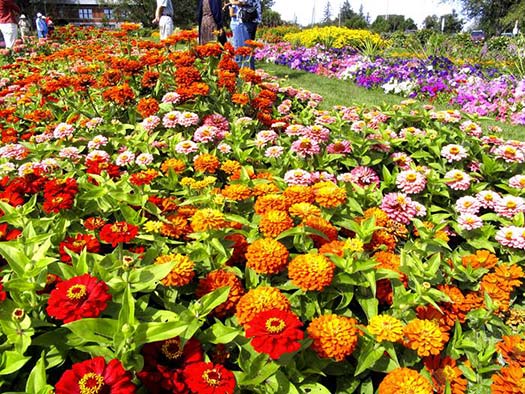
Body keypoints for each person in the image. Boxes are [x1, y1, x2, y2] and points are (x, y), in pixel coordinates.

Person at [229, 0, 261, 69]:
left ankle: (243, 76)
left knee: (242, 53)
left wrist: (231, 1)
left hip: (243, 22)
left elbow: (242, 2)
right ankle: (251, 75)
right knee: (248, 52)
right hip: (252, 20)